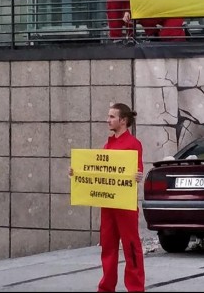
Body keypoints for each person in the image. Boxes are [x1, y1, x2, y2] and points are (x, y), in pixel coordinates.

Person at [69, 103, 145, 291]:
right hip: (108, 205)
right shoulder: (108, 145)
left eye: (112, 116)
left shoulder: (133, 144)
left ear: (123, 120)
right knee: (108, 247)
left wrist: (138, 175)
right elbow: (98, 171)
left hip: (125, 207)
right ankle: (106, 287)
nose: (108, 120)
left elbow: (137, 171)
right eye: (108, 116)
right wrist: (77, 173)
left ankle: (135, 288)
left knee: (131, 247)